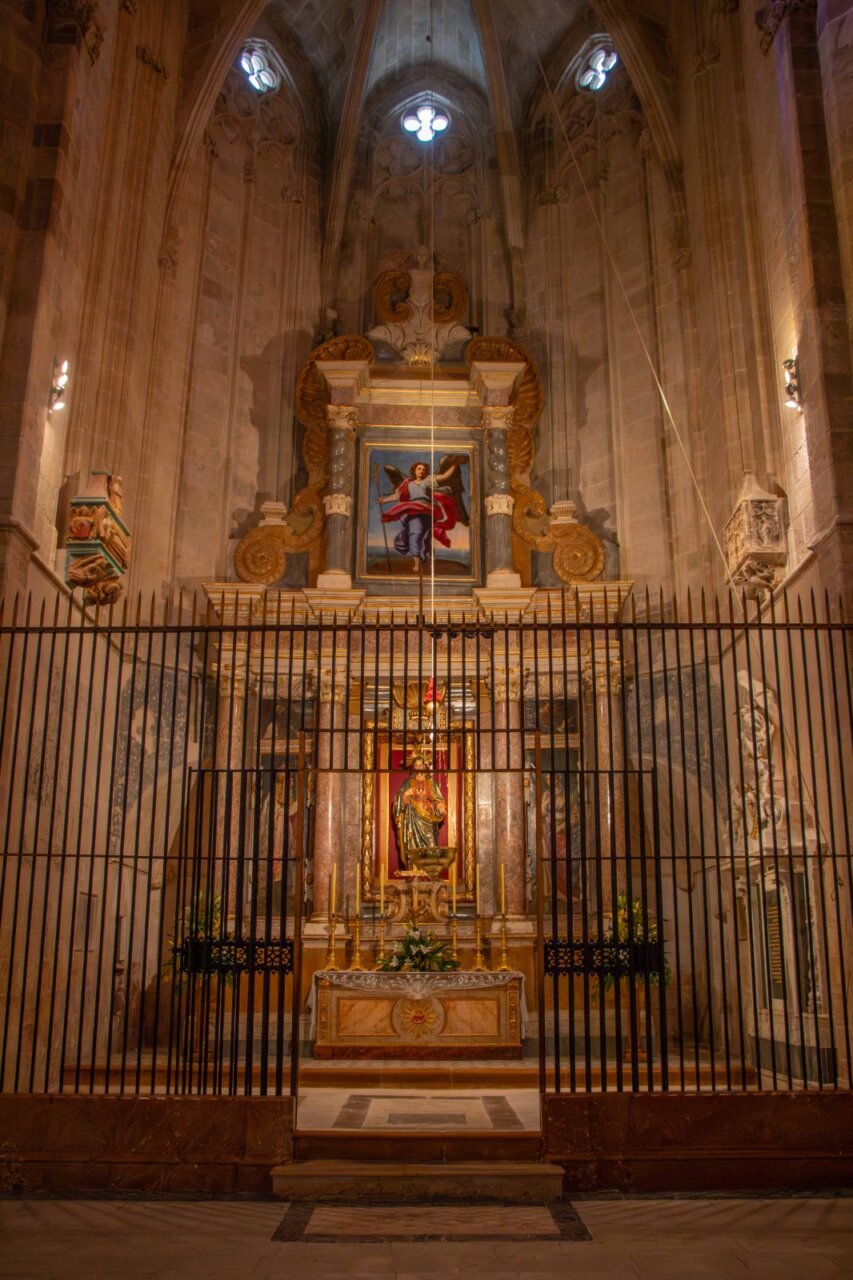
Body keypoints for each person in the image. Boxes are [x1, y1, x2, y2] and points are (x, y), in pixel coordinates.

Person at [378, 457, 467, 572]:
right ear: (414, 471)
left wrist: (456, 463)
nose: (422, 471)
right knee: (415, 533)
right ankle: (416, 563)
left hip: (428, 512)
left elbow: (445, 476)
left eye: (424, 469)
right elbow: (397, 496)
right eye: (419, 469)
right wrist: (383, 500)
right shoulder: (407, 484)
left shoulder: (428, 481)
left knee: (425, 538)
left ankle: (424, 559)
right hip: (413, 511)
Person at [392, 756, 446, 868]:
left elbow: (438, 799)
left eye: (420, 765)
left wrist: (440, 806)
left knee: (431, 845)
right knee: (413, 846)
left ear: (425, 766)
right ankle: (414, 872)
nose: (418, 768)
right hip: (412, 819)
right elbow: (398, 800)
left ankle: (429, 872)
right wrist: (405, 794)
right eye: (416, 765)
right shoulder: (408, 782)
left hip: (427, 818)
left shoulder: (431, 783)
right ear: (413, 767)